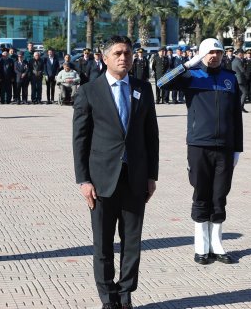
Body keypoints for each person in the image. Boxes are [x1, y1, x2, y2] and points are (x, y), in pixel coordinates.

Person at [73, 35, 159, 309]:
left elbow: (151, 136)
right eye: (118, 53)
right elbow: (80, 140)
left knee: (132, 242)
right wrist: (83, 180)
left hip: (135, 178)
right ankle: (108, 298)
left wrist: (151, 176)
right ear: (105, 57)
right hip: (101, 180)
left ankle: (125, 295)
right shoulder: (89, 91)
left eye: (128, 53)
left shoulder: (142, 89)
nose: (124, 58)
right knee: (103, 244)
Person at [157, 37, 243, 266]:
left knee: (220, 195)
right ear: (202, 54)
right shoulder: (192, 76)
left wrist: (238, 149)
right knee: (201, 194)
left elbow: (236, 116)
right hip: (198, 145)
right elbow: (161, 83)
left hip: (224, 147)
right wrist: (187, 64)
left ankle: (217, 244)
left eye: (219, 52)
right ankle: (201, 246)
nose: (215, 56)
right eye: (210, 52)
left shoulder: (229, 79)